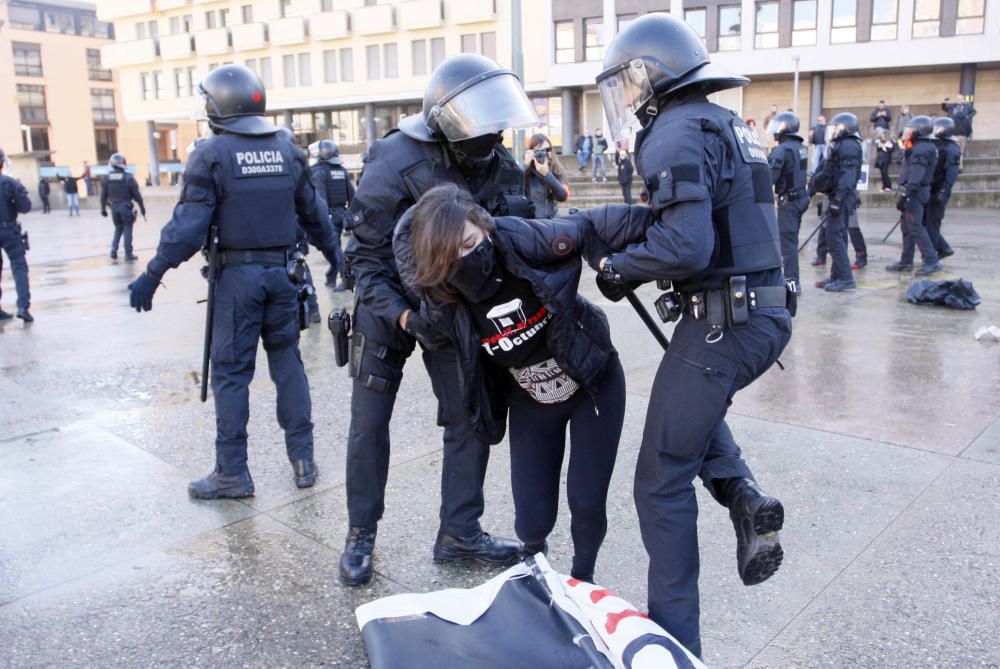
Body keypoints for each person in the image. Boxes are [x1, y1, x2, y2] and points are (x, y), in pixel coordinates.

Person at [583, 13, 792, 657]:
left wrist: (620, 267)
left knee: (660, 476)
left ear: (656, 74)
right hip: (760, 313)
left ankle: (676, 643)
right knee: (687, 417)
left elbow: (689, 245)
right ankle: (743, 496)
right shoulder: (725, 123)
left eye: (631, 80)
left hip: (725, 321)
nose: (629, 95)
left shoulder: (672, 130)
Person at [339, 53, 536, 587]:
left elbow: (512, 237)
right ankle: (361, 533)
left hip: (453, 313)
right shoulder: (394, 158)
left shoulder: (497, 162)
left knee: (469, 415)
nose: (493, 138)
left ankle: (459, 533)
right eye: (483, 127)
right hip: (390, 311)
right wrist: (402, 317)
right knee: (368, 424)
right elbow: (366, 258)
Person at [396, 184, 626, 584]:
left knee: (587, 502)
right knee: (532, 518)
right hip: (530, 398)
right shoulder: (444, 299)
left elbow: (596, 225)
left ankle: (582, 582)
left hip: (592, 380)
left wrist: (617, 265)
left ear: (485, 228)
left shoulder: (523, 240)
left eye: (470, 243)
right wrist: (401, 318)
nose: (466, 259)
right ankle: (536, 573)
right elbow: (412, 303)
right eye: (452, 257)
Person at [127, 65, 337, 498]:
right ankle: (303, 459)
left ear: (217, 105)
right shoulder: (286, 148)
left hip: (238, 280)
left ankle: (232, 473)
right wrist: (340, 258)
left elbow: (188, 226)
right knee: (287, 364)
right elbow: (315, 215)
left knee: (231, 374)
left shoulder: (211, 153)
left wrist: (153, 272)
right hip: (284, 275)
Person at [809, 112, 863, 290]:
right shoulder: (842, 144)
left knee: (834, 237)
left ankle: (846, 278)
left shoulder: (848, 145)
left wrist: (838, 199)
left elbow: (847, 177)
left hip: (843, 197)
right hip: (839, 195)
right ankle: (837, 275)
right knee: (837, 236)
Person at [886, 116, 941, 276]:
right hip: (914, 191)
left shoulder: (922, 149)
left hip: (916, 192)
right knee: (907, 228)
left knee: (915, 227)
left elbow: (917, 175)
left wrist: (907, 195)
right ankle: (906, 260)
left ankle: (931, 261)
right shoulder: (919, 147)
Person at [768, 112, 810, 290]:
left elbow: (770, 177)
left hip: (790, 201)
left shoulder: (782, 150)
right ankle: (793, 279)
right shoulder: (800, 147)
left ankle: (792, 281)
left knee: (787, 244)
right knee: (791, 241)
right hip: (801, 197)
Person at [310, 139, 354, 291]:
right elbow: (352, 194)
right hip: (341, 213)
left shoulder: (319, 172)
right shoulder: (341, 170)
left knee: (332, 249)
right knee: (334, 248)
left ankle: (346, 279)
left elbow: (320, 198)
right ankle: (331, 278)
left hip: (329, 216)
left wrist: (323, 217)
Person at [0, 148, 34, 322]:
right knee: (19, 268)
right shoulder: (10, 183)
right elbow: (25, 207)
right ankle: (23, 307)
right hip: (8, 230)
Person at [926, 116, 961, 259]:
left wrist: (943, 190)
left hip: (940, 190)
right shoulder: (938, 144)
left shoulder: (951, 148)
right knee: (926, 223)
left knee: (931, 224)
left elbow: (951, 173)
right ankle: (942, 248)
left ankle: (939, 250)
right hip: (932, 188)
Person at [100, 153, 146, 261]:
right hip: (125, 206)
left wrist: (102, 209)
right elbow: (137, 195)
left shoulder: (107, 178)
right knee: (127, 229)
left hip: (114, 208)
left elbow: (103, 195)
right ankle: (128, 254)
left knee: (118, 228)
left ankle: (113, 250)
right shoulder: (128, 178)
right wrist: (142, 207)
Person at [523, 133, 568, 218]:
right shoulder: (527, 172)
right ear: (532, 153)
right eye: (538, 151)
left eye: (547, 149)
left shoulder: (556, 170)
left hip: (551, 223)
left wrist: (547, 175)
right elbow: (513, 185)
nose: (544, 153)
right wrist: (525, 165)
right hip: (531, 223)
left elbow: (563, 196)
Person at [942, 94, 976, 170]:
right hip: (954, 134)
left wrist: (969, 116)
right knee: (956, 151)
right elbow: (944, 108)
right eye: (958, 99)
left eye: (960, 99)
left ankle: (959, 167)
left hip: (961, 135)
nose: (959, 100)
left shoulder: (966, 110)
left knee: (959, 151)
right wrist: (945, 101)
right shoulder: (952, 107)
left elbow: (973, 112)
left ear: (962, 99)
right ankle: (956, 167)